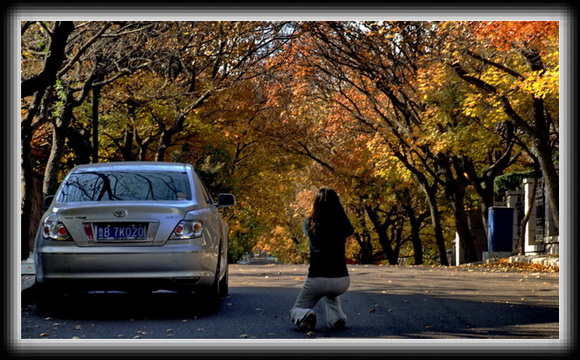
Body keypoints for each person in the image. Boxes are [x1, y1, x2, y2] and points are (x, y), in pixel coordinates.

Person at [289, 188, 354, 332]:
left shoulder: (309, 223)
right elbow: (350, 230)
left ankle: (306, 314)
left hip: (317, 279)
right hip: (341, 280)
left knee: (296, 309)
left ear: (316, 204)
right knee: (330, 294)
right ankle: (338, 318)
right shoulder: (341, 223)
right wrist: (339, 211)